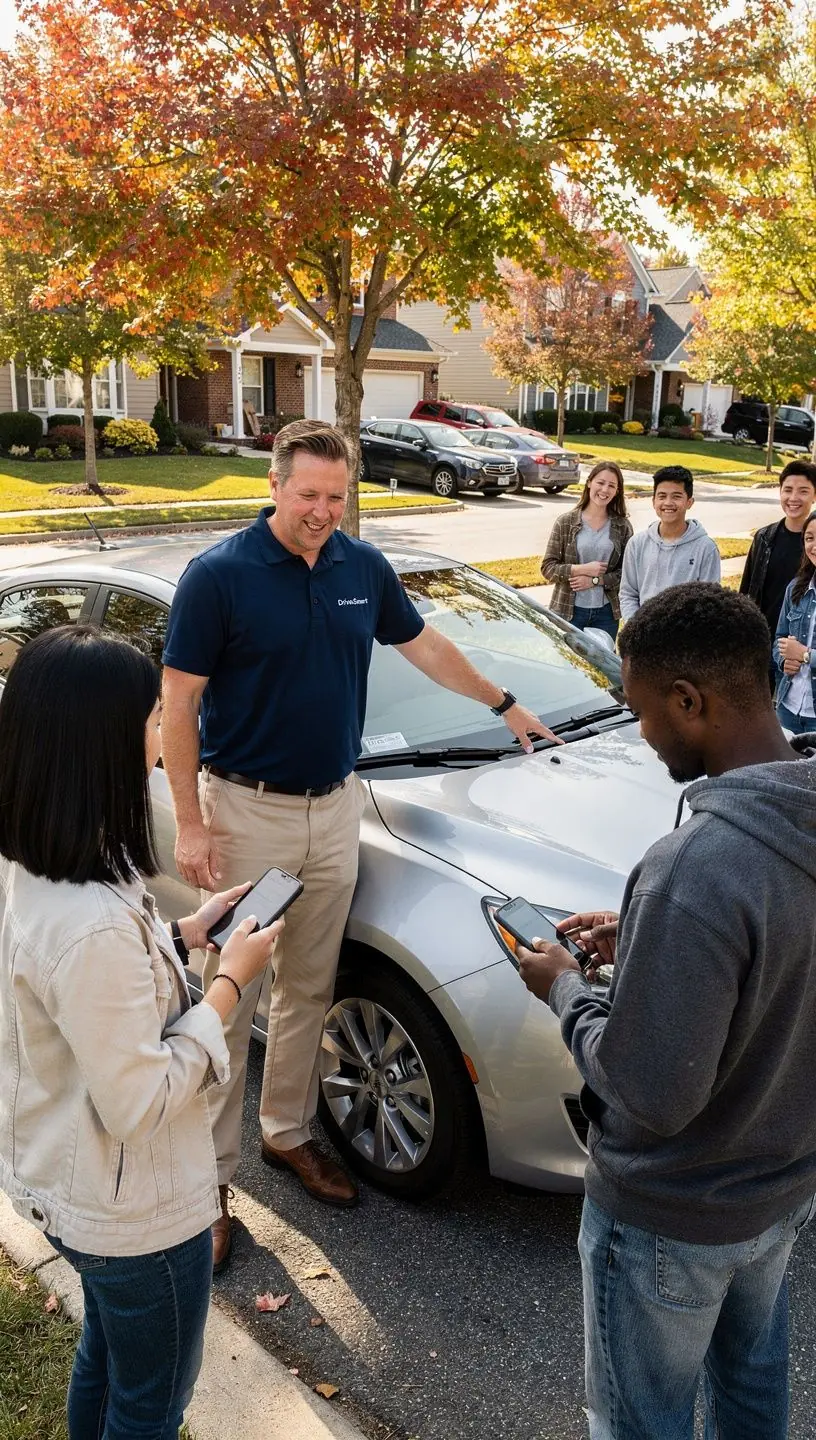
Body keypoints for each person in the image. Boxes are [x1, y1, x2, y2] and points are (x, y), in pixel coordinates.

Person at [161, 418, 553, 1270]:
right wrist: (191, 821)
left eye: (338, 497)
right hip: (246, 811)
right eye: (308, 495)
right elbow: (180, 706)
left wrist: (503, 702)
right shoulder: (218, 578)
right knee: (227, 1000)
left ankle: (288, 1134)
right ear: (274, 485)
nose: (323, 512)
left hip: (335, 810)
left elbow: (427, 647)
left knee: (309, 987)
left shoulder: (360, 567)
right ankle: (207, 1187)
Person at [516, 583, 816, 1440]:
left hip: (671, 1217)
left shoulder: (695, 868)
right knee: (753, 1388)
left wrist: (564, 990)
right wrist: (647, 933)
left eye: (644, 713)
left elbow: (653, 1092)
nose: (642, 735)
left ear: (691, 701)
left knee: (640, 1422)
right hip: (783, 1189)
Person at [0, 626, 280, 1440]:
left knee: (110, 1354)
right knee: (151, 1402)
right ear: (102, 744)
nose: (166, 736)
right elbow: (141, 1098)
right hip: (134, 1215)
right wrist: (229, 983)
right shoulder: (88, 923)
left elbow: (89, 994)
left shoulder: (44, 859)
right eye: (155, 720)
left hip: (74, 1187)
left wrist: (186, 932)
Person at [540, 461, 632, 640]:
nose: (605, 490)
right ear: (589, 482)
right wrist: (581, 569)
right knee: (565, 666)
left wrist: (596, 580)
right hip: (567, 611)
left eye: (611, 485)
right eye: (600, 482)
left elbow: (628, 575)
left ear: (617, 491)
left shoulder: (622, 526)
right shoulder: (565, 522)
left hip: (606, 615)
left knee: (600, 667)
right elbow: (548, 568)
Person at [619, 465, 720, 620]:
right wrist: (636, 628)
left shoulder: (706, 548)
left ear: (689, 502)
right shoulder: (637, 544)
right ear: (653, 501)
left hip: (685, 639)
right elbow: (628, 594)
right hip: (642, 636)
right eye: (662, 496)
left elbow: (710, 602)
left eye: (676, 496)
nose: (668, 502)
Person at [740, 459, 816, 638]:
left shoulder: (813, 546)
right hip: (761, 639)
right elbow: (746, 592)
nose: (793, 498)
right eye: (787, 490)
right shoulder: (764, 538)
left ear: (814, 496)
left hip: (801, 645)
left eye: (803, 491)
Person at [773, 509, 816, 734]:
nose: (814, 545)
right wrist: (783, 660)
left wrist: (804, 655)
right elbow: (780, 638)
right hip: (787, 709)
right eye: (809, 538)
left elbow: (799, 651)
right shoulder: (796, 588)